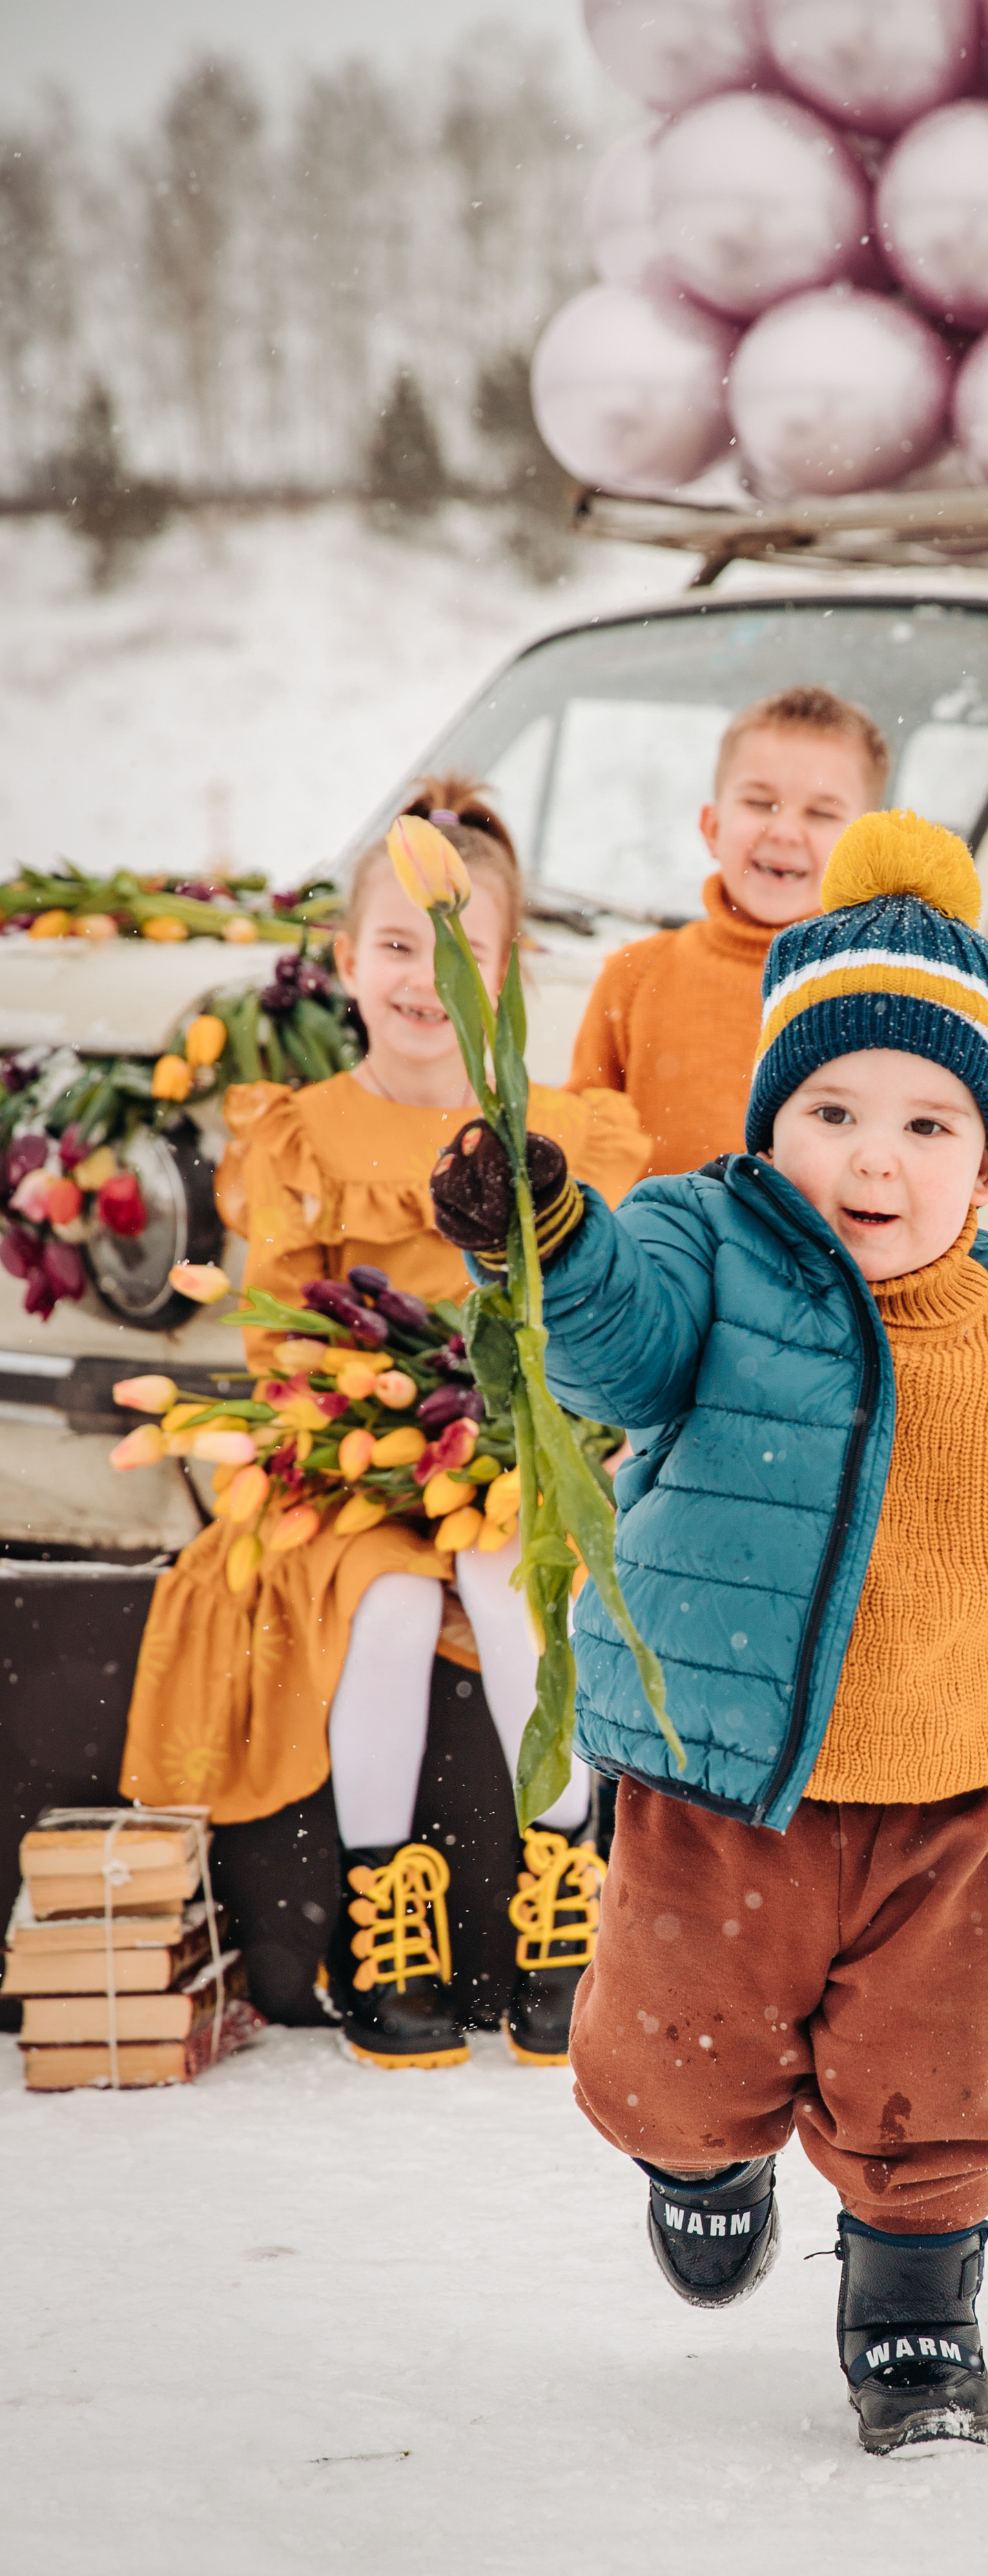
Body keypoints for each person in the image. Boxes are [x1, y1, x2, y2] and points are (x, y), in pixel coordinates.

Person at [431, 809, 988, 2455]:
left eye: (924, 1120)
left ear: (986, 1155)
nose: (871, 1158)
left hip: (961, 1801)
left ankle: (911, 2314)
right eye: (826, 1111)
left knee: (935, 2083)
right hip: (726, 1784)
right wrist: (547, 1237)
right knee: (671, 2055)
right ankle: (702, 2153)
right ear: (771, 1123)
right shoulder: (712, 1250)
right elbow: (612, 1338)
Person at [122, 778, 652, 2070]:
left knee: (507, 1569)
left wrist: (526, 1413)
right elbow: (279, 1339)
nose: (424, 979)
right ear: (347, 961)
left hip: (514, 1451)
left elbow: (588, 1311)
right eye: (397, 947)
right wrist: (359, 1410)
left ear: (504, 970)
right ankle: (384, 1906)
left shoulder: (549, 1131)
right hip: (355, 1468)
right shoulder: (306, 1133)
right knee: (395, 1604)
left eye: (457, 951)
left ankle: (561, 1891)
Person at [566, 683, 887, 1177]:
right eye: (761, 803)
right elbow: (579, 1147)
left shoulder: (882, 988)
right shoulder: (635, 975)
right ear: (712, 827)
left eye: (821, 813)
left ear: (866, 845)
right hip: (655, 1252)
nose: (784, 830)